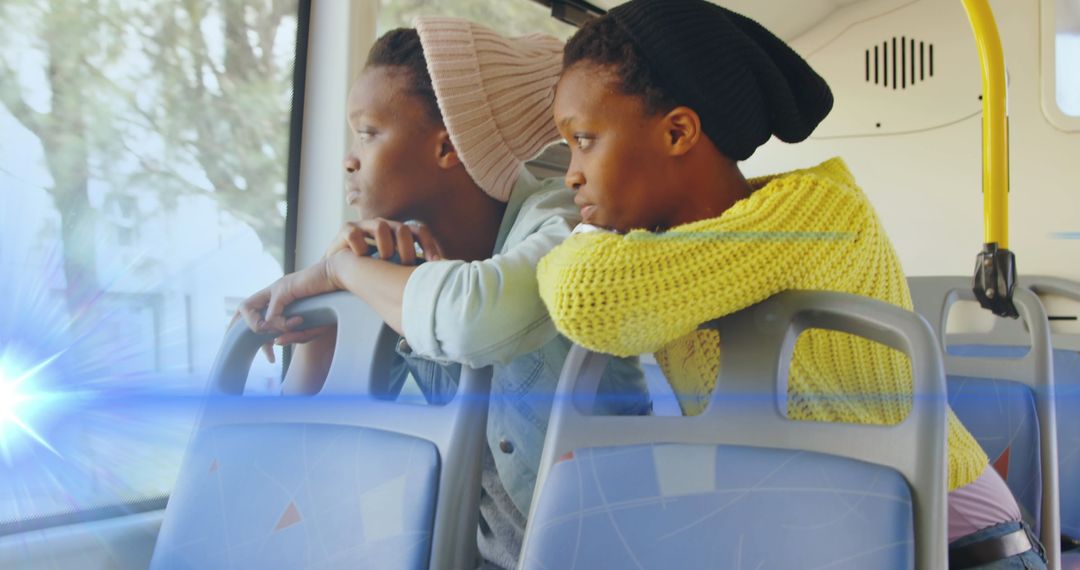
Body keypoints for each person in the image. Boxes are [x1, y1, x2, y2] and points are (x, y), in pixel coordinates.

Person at [535, 1, 1045, 568]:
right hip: (827, 536)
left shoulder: (820, 212)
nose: (572, 171)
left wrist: (572, 242)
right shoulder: (667, 254)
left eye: (583, 140)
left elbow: (584, 298)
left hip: (962, 546)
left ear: (678, 131)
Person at [237, 19, 648, 569]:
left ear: (447, 147)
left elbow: (472, 317)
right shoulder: (397, 264)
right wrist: (318, 320)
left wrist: (339, 272)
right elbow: (305, 447)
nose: (348, 159)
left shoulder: (563, 221)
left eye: (369, 132)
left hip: (611, 551)